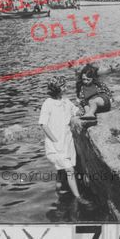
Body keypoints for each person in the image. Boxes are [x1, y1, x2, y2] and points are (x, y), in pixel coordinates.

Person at [39, 76, 89, 204]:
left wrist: (83, 107)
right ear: (56, 89)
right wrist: (54, 140)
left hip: (67, 140)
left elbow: (77, 111)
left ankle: (59, 191)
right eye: (63, 86)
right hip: (55, 143)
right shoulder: (48, 103)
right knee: (69, 169)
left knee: (62, 170)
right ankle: (78, 197)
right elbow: (43, 124)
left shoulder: (66, 101)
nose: (66, 88)